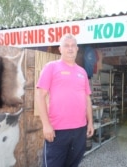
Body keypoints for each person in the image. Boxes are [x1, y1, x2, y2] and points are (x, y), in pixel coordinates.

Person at [35, 33, 94, 167]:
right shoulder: (51, 67)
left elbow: (87, 99)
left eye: (73, 45)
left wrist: (90, 122)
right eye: (66, 45)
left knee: (73, 164)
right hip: (58, 130)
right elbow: (40, 95)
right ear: (60, 49)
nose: (70, 48)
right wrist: (46, 125)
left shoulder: (82, 72)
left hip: (79, 130)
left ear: (77, 49)